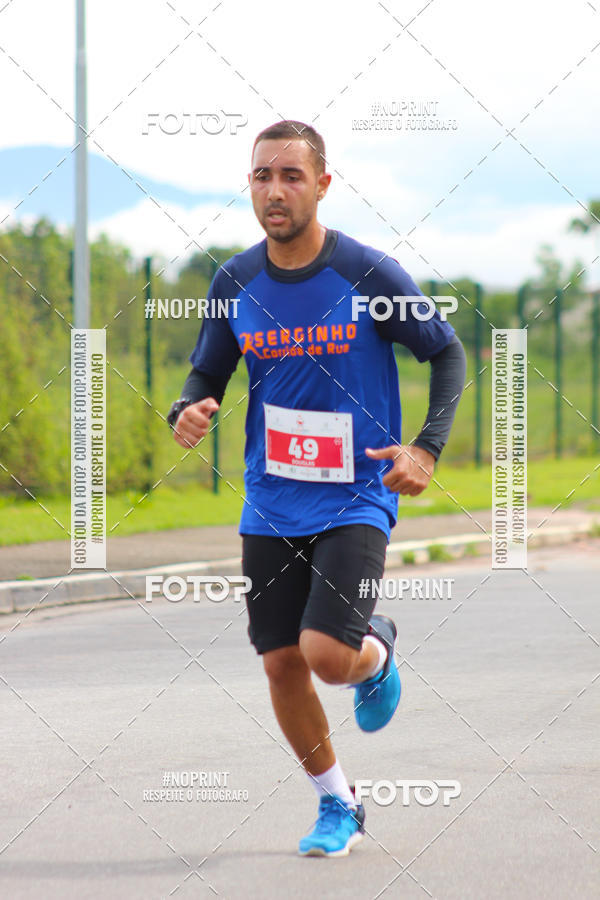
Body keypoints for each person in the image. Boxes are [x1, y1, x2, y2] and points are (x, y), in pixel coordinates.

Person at [167, 120, 466, 857]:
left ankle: (378, 654)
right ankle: (340, 805)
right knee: (280, 661)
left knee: (328, 656)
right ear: (249, 184)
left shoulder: (368, 274)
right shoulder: (235, 280)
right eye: (262, 175)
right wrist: (188, 406)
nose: (275, 190)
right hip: (271, 497)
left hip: (356, 494)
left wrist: (425, 449)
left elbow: (447, 352)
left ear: (323, 184)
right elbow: (208, 370)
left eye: (291, 176)